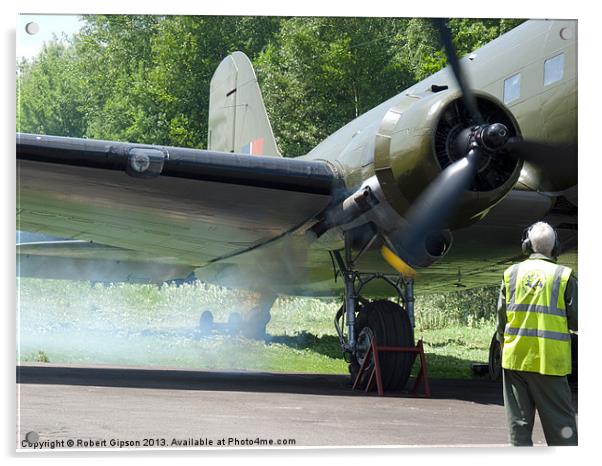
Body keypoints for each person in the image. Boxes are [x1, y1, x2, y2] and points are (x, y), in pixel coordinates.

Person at [497, 221, 578, 446]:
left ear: (527, 246)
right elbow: (579, 319)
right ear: (556, 247)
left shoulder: (510, 274)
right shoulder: (563, 276)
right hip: (549, 362)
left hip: (515, 361)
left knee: (519, 432)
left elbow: (501, 319)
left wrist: (503, 345)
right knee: (562, 430)